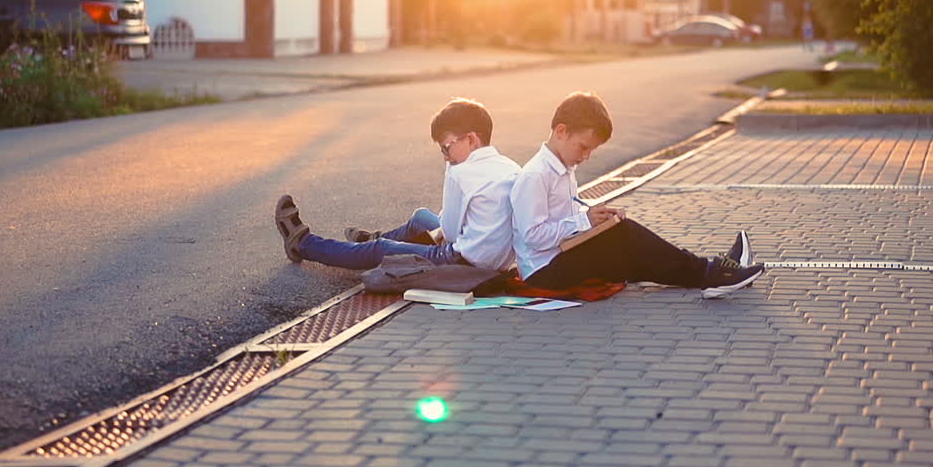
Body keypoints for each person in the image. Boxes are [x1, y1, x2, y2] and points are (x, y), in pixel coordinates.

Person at [510, 92, 764, 298]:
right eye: (583, 147)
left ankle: (717, 272)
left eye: (591, 151)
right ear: (561, 131)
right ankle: (712, 273)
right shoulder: (535, 175)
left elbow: (564, 218)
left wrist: (597, 218)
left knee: (636, 253)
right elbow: (533, 237)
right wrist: (584, 221)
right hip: (543, 272)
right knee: (626, 235)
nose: (586, 156)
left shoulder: (564, 168)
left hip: (562, 257)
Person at [275, 97, 521, 271]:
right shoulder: (510, 167)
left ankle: (303, 244)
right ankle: (368, 243)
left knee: (381, 250)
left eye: (447, 148)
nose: (445, 157)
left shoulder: (461, 172)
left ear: (471, 139)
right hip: (495, 261)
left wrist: (451, 169)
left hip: (464, 262)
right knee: (422, 217)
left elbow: (450, 233)